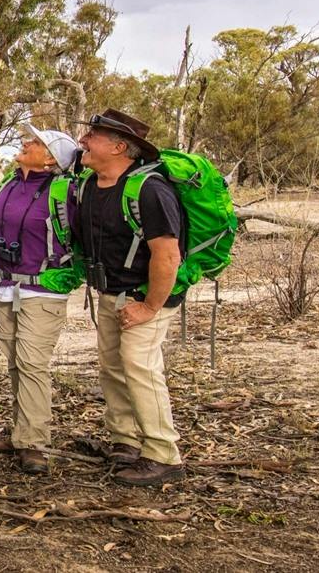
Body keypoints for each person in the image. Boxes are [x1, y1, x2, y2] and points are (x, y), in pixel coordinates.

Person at [70, 108, 187, 486]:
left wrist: (149, 306)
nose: (84, 141)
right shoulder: (90, 185)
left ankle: (163, 454)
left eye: (94, 136)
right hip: (110, 293)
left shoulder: (151, 191)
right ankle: (125, 441)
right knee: (112, 368)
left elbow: (168, 255)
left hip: (145, 296)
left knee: (140, 367)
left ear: (120, 146)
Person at [0, 125, 79, 473]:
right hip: (5, 288)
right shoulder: (10, 184)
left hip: (42, 291)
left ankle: (34, 442)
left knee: (32, 363)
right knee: (15, 361)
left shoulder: (64, 193)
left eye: (36, 142)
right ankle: (21, 431)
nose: (26, 143)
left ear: (50, 158)